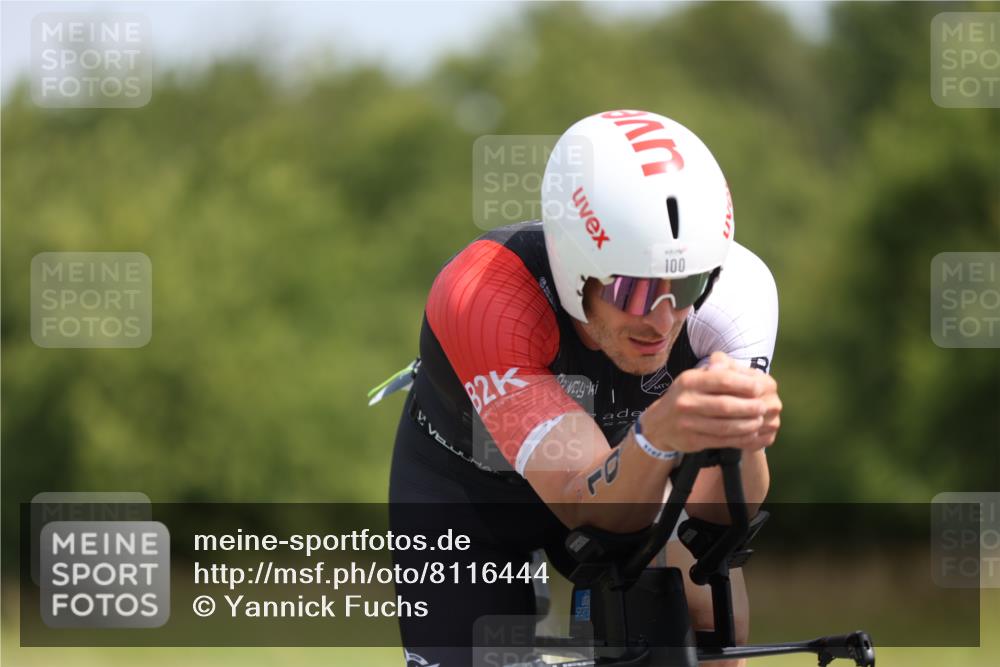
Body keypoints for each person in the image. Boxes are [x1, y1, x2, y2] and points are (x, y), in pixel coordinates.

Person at [381, 109, 781, 667]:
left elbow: (717, 519)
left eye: (688, 283)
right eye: (635, 291)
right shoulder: (485, 298)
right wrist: (656, 435)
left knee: (710, 621)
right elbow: (582, 504)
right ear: (576, 268)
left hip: (619, 465)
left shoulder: (738, 293)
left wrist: (743, 438)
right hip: (469, 492)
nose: (662, 321)